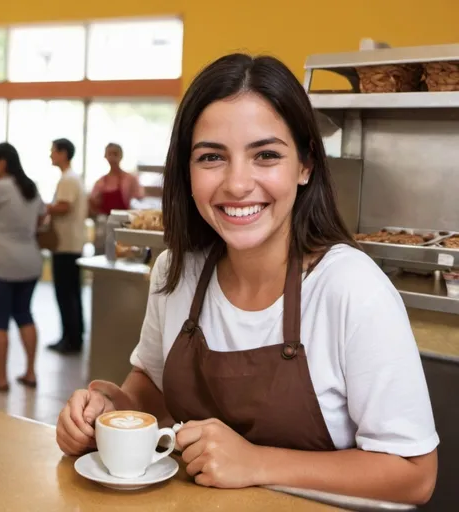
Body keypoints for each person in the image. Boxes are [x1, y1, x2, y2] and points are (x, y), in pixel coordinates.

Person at [56, 54, 438, 504]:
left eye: (266, 155)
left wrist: (255, 461)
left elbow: (414, 475)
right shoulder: (176, 272)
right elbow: (154, 390)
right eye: (212, 157)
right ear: (187, 170)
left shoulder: (351, 289)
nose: (237, 184)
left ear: (305, 166)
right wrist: (107, 411)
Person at [0, 142, 45, 392]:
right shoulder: (31, 187)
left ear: (3, 161)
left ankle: (1, 377)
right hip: (29, 261)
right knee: (24, 314)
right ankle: (31, 372)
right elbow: (42, 218)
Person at [47, 138, 87, 354]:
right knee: (71, 293)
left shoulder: (68, 179)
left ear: (63, 153)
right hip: (72, 244)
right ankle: (72, 336)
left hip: (66, 245)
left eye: (53, 151)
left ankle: (70, 339)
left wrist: (44, 207)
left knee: (66, 294)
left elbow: (63, 207)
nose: (50, 155)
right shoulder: (72, 178)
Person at [88, 143, 144, 216]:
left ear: (121, 156)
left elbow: (139, 199)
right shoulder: (100, 182)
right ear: (105, 156)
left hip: (125, 220)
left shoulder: (130, 179)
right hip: (105, 221)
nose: (112, 157)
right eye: (109, 154)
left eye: (115, 154)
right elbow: (93, 204)